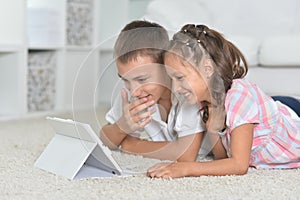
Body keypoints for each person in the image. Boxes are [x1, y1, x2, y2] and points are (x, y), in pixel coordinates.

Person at [147, 24, 300, 178]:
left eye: (179, 78)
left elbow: (239, 165)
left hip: (291, 123)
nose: (176, 88)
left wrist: (186, 169)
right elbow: (223, 159)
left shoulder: (239, 98)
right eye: (171, 79)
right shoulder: (205, 100)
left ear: (207, 69)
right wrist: (213, 130)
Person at [100, 20, 206, 161]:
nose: (134, 92)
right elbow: (103, 140)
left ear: (165, 66)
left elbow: (185, 154)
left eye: (142, 79)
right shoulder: (133, 95)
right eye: (125, 79)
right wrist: (122, 126)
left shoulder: (187, 92)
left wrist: (131, 146)